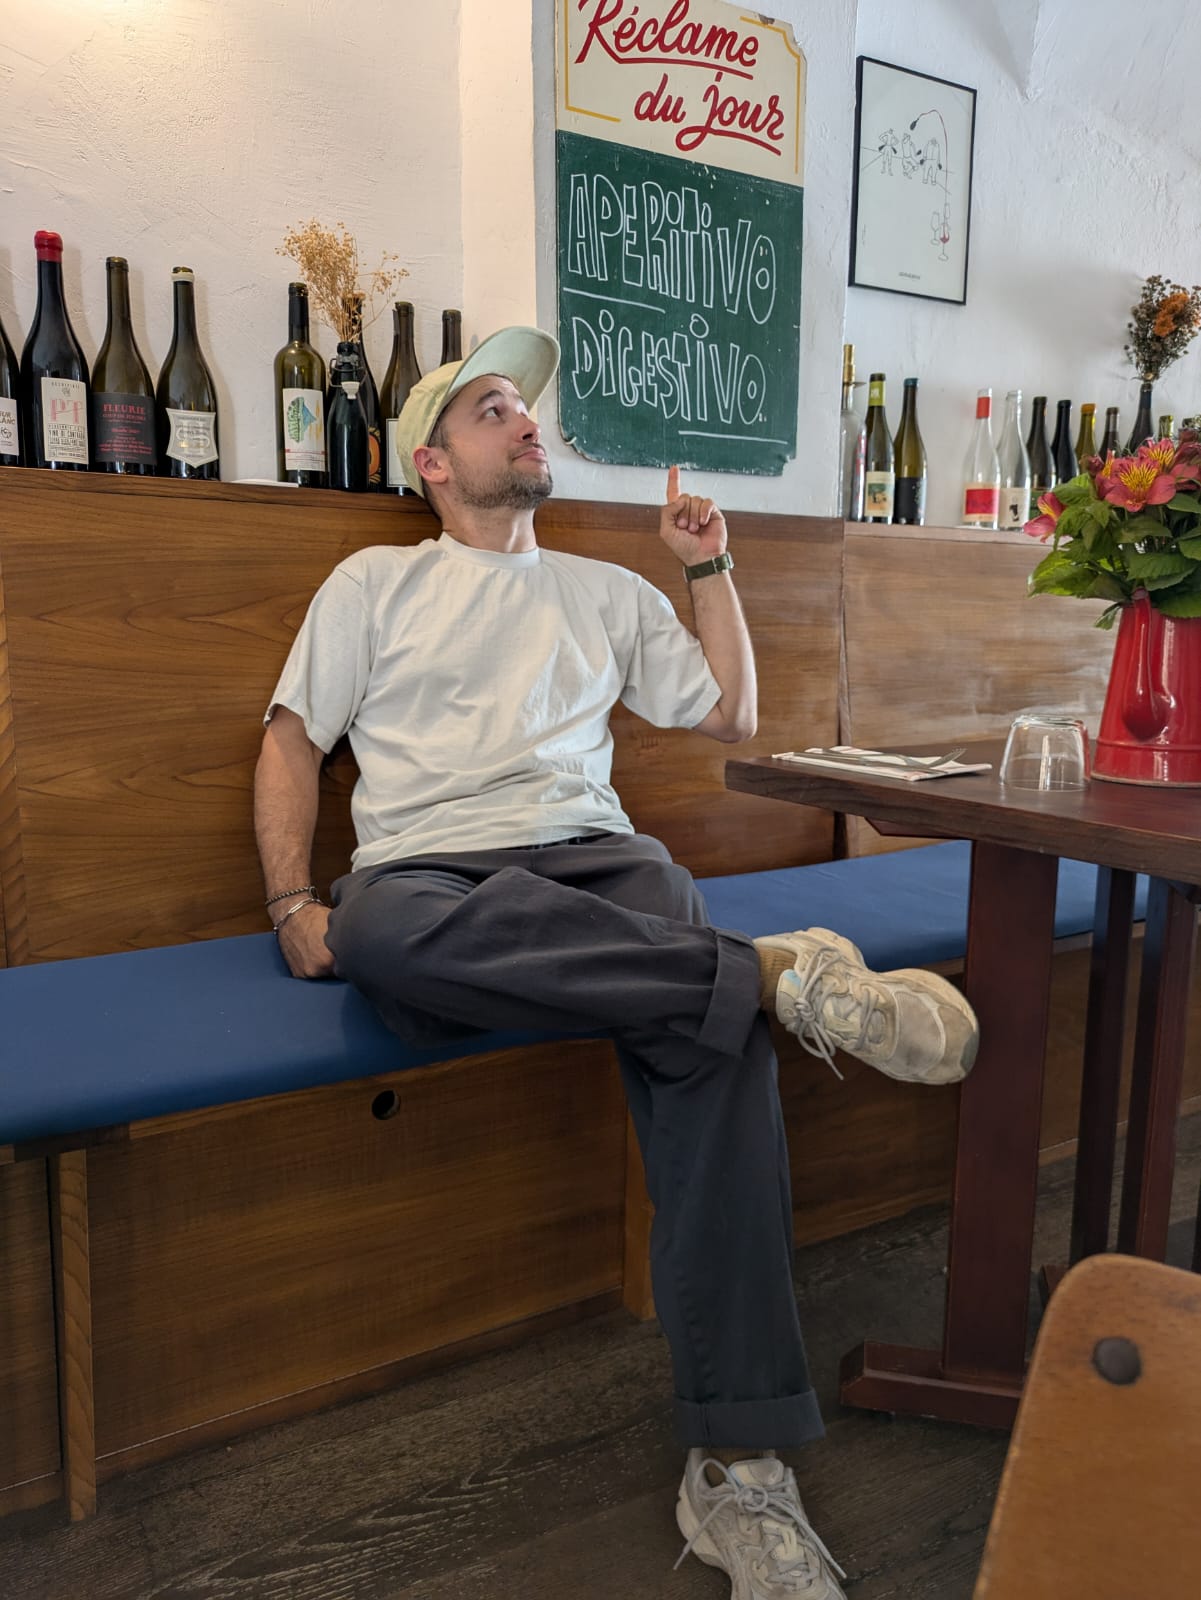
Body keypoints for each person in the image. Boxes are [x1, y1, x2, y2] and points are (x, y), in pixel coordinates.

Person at [254, 326, 979, 1599]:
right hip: (431, 873)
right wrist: (288, 899)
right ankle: (772, 975)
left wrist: (709, 565)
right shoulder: (372, 582)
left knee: (685, 977)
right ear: (431, 460)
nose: (527, 423)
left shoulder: (602, 589)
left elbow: (731, 714)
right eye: (492, 411)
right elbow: (287, 744)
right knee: (380, 932)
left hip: (592, 865)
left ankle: (739, 1466)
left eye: (528, 412)